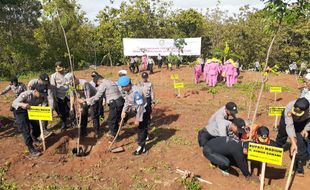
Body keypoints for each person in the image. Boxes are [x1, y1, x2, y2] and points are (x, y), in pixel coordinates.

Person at [275, 98, 310, 176]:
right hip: (288, 120)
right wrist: (293, 142)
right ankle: (278, 146)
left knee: (301, 140)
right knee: (282, 132)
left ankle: (298, 164)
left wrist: (306, 129)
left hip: (302, 122)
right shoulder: (289, 107)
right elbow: (289, 126)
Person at [83, 75, 124, 140]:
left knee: (111, 120)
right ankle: (115, 133)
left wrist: (87, 101)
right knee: (115, 119)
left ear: (99, 81)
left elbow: (97, 96)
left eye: (97, 84)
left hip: (114, 103)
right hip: (120, 101)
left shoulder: (103, 84)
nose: (98, 85)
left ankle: (114, 136)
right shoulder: (110, 81)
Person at [12, 85, 48, 157]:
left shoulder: (42, 97)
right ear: (35, 91)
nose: (42, 96)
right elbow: (14, 103)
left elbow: (44, 103)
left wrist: (43, 108)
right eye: (41, 94)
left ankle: (34, 137)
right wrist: (22, 104)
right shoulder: (26, 94)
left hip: (31, 110)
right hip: (20, 110)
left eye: (44, 94)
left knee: (37, 128)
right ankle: (31, 148)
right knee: (25, 129)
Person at [118, 76, 150, 155]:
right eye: (121, 87)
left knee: (141, 128)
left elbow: (141, 106)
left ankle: (141, 147)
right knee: (142, 128)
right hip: (137, 109)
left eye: (123, 87)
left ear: (128, 85)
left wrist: (138, 119)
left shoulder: (136, 92)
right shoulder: (128, 90)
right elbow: (127, 101)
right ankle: (145, 136)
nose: (122, 88)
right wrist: (123, 111)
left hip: (143, 110)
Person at [50, 62, 70, 131]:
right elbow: (53, 88)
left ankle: (71, 120)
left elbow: (71, 84)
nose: (60, 71)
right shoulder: (53, 76)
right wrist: (55, 97)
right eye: (58, 69)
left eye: (61, 69)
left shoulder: (67, 74)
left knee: (69, 109)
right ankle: (64, 123)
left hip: (68, 94)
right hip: (59, 96)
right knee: (61, 110)